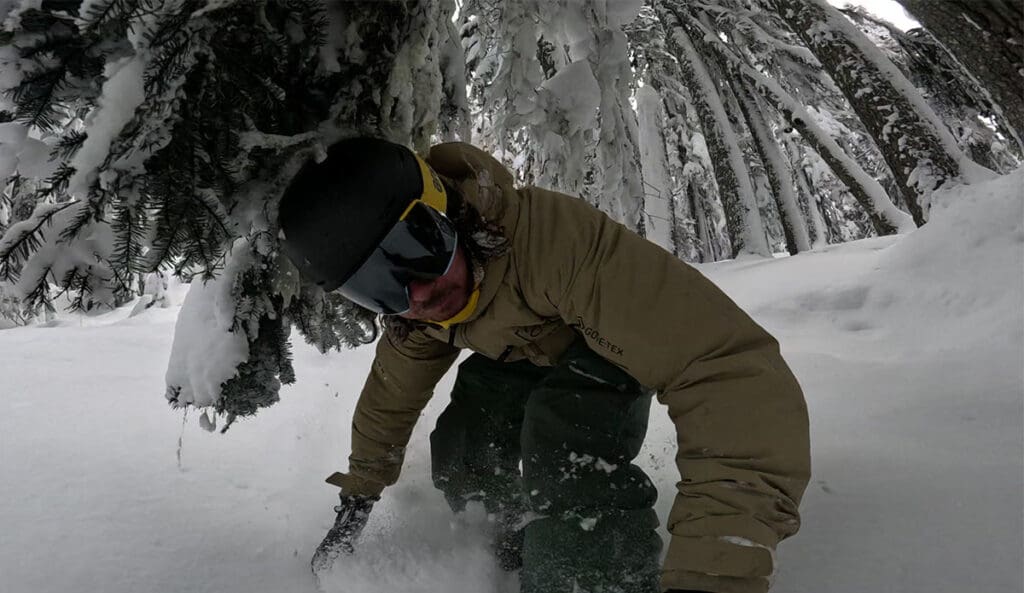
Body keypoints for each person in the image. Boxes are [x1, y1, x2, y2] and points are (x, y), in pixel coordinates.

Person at [278, 137, 811, 593]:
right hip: (523, 350)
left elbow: (724, 373)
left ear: (449, 210)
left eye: (419, 246)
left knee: (561, 440)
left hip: (607, 345)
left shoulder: (557, 246)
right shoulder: (421, 312)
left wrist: (714, 571)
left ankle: (590, 572)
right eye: (376, 288)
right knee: (466, 448)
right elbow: (389, 397)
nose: (416, 293)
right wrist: (361, 491)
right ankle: (513, 547)